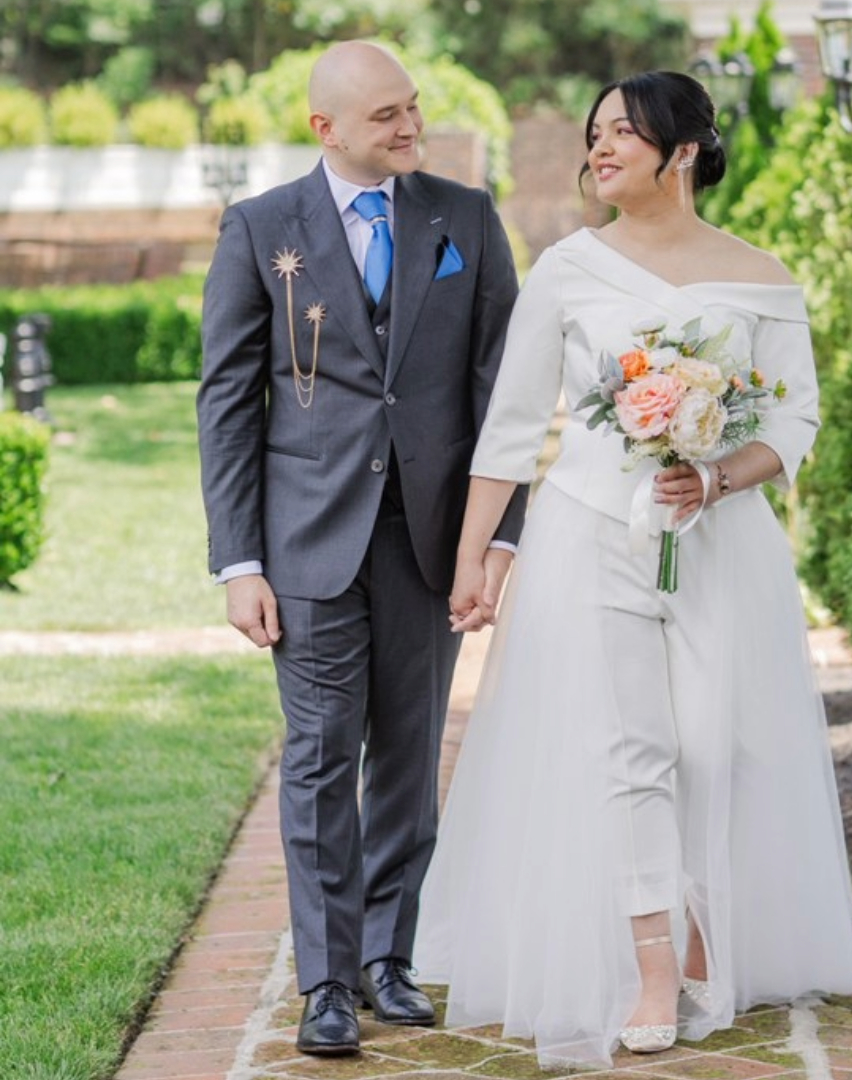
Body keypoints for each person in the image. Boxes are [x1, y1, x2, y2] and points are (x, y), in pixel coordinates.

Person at [413, 70, 852, 1068]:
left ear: (687, 149)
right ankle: (654, 964)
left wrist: (715, 480)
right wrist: (474, 560)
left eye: (623, 131)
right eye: (594, 134)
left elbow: (795, 414)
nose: (600, 149)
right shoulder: (568, 269)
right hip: (585, 534)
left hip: (720, 541)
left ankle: (704, 929)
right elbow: (515, 425)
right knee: (632, 753)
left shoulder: (761, 275)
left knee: (714, 746)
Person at [196, 40, 524, 1058]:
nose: (409, 126)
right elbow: (227, 402)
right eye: (386, 115)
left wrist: (499, 536)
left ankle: (391, 957)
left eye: (412, 108)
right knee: (320, 755)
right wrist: (238, 561)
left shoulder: (464, 218)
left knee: (409, 755)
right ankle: (328, 979)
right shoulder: (260, 229)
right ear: (324, 127)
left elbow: (502, 396)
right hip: (306, 544)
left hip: (430, 546)